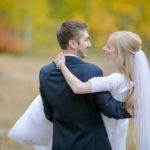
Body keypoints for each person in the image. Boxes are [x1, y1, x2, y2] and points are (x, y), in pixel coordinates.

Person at [8, 20, 131, 150]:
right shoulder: (92, 71)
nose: (89, 44)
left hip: (61, 144)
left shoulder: (45, 73)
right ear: (72, 44)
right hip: (92, 145)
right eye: (86, 40)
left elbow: (49, 113)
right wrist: (137, 108)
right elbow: (111, 109)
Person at [54, 31, 150, 150]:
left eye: (109, 46)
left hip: (105, 134)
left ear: (120, 53)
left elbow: (78, 88)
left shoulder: (115, 79)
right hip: (119, 132)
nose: (104, 48)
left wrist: (61, 65)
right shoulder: (132, 79)